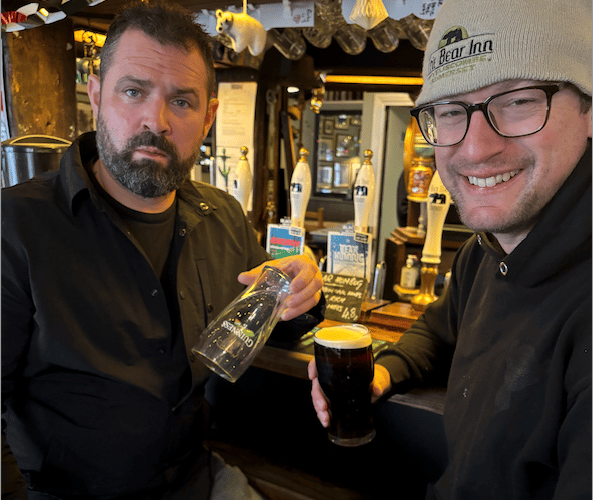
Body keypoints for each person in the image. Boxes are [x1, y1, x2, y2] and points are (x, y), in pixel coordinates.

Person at [1, 2, 324, 498]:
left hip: (197, 478)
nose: (156, 120)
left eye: (182, 101)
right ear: (96, 94)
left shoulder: (224, 217)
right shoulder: (15, 226)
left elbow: (278, 318)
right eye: (133, 91)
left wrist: (304, 290)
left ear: (209, 117)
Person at [310, 0, 592, 498]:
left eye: (519, 100)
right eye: (449, 111)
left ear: (588, 110)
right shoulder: (483, 255)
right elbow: (438, 333)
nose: (476, 147)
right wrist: (381, 372)